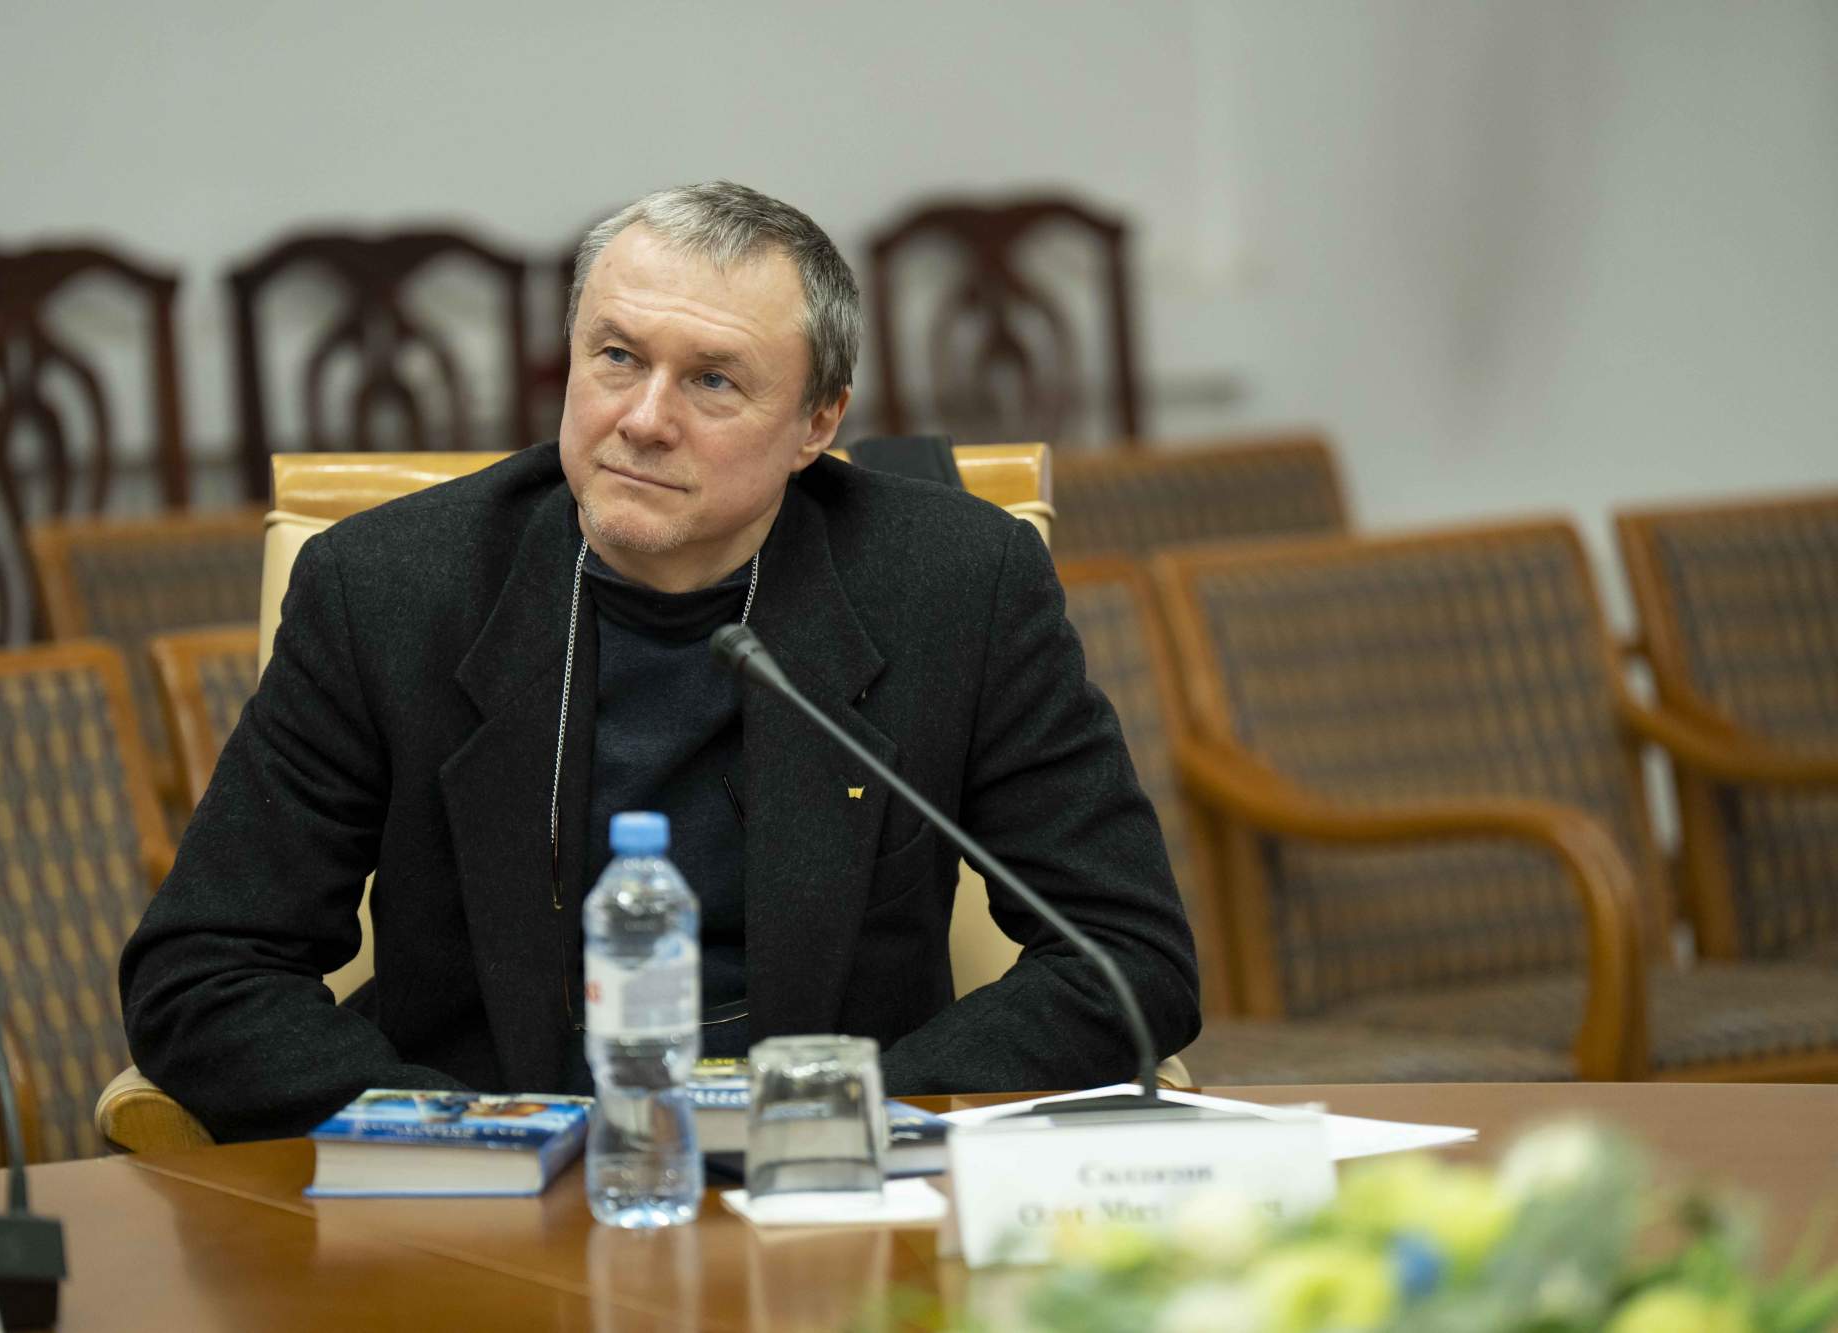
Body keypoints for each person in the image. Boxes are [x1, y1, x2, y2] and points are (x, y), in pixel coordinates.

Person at [119, 181, 1200, 1143]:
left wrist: (831, 1118)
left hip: (829, 1183)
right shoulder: (389, 590)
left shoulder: (956, 585)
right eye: (617, 357)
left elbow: (1125, 954)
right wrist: (472, 1137)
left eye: (713, 381)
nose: (642, 420)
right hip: (486, 1189)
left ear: (815, 423)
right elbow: (203, 973)